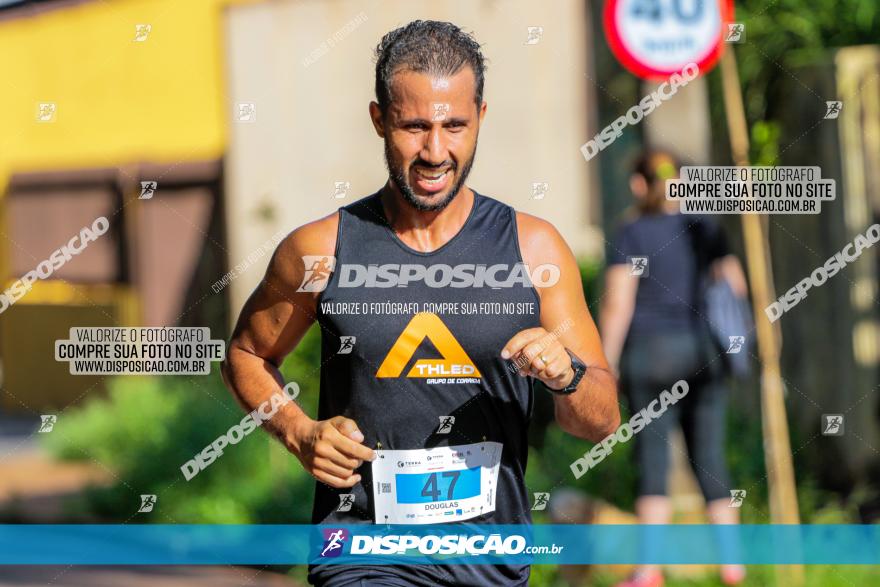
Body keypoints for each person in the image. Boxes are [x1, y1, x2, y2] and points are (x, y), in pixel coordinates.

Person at [221, 20, 620, 587]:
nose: (436, 151)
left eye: (455, 125)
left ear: (481, 116)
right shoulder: (321, 249)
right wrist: (296, 430)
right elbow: (247, 354)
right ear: (379, 119)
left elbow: (601, 420)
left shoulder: (534, 249)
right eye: (414, 127)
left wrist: (568, 375)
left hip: (490, 559)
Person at [600, 151, 749, 587]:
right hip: (704, 352)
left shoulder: (632, 232)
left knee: (653, 461)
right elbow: (735, 286)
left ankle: (648, 571)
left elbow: (618, 303)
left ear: (640, 185)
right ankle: (733, 566)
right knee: (711, 458)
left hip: (651, 356)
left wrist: (604, 363)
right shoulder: (705, 228)